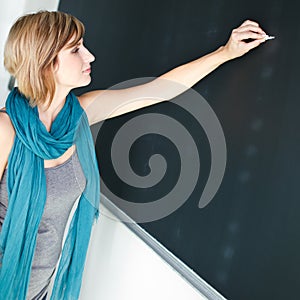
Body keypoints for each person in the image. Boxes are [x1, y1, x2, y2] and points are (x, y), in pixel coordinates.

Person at [0, 10, 267, 300]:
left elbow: (157, 91)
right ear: (45, 62)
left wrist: (225, 53)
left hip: (37, 291)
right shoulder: (5, 130)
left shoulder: (77, 116)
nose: (90, 57)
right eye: (76, 49)